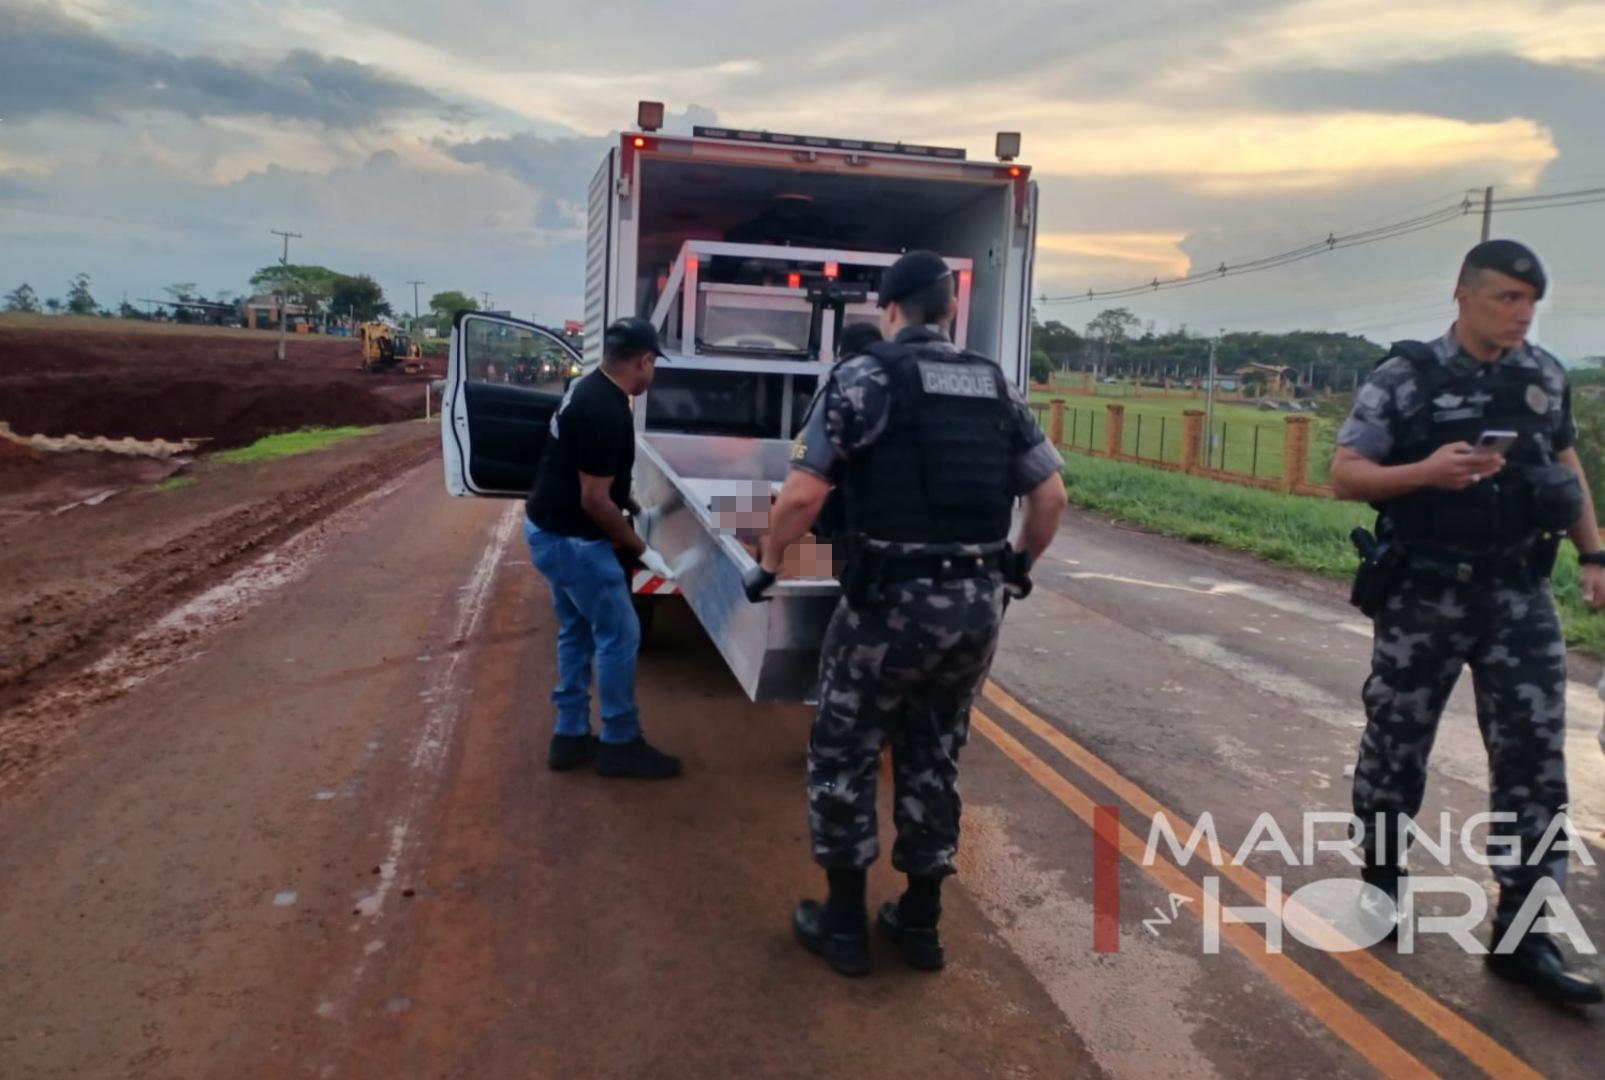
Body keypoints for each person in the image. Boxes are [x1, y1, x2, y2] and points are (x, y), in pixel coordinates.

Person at [743, 250, 1069, 976]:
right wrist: (1014, 567)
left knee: (842, 752)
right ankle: (919, 924)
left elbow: (802, 496)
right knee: (933, 752)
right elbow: (1049, 498)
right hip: (975, 609)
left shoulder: (861, 379)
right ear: (948, 311)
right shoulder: (994, 385)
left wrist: (766, 564)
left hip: (886, 607)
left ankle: (843, 924)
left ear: (887, 310)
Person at [1331, 239, 1605, 1005]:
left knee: (1535, 767)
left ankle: (1526, 938)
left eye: (1529, 303)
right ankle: (1381, 884)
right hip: (1424, 593)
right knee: (1395, 747)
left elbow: (1566, 464)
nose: (1520, 315)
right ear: (1464, 297)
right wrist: (1427, 472)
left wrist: (1594, 553)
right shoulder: (1407, 377)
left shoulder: (1543, 375)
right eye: (1506, 299)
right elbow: (1343, 474)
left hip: (1519, 596)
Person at [525, 317, 682, 780]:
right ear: (644, 360)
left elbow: (591, 476)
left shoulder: (591, 388)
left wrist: (630, 501)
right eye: (653, 365)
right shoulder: (606, 410)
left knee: (576, 629)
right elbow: (593, 500)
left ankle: (569, 736)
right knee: (620, 633)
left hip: (549, 532)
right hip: (572, 541)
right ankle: (619, 741)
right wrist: (640, 549)